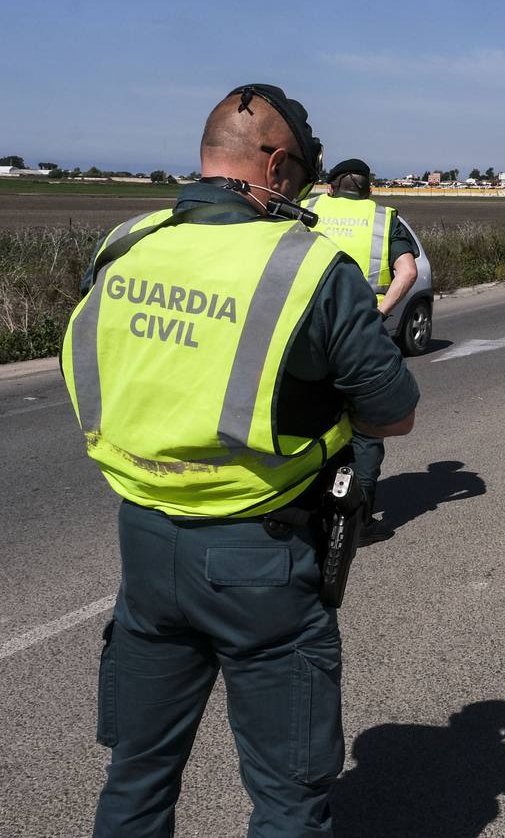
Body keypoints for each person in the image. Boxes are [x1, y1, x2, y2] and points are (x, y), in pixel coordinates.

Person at [62, 84, 420, 837]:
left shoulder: (124, 242)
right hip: (261, 555)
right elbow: (393, 413)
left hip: (145, 543)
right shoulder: (307, 266)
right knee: (288, 799)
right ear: (279, 164)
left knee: (136, 775)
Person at [304, 158, 419, 538]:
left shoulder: (311, 209)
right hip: (360, 333)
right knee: (366, 431)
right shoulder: (385, 219)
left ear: (332, 187)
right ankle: (359, 520)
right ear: (368, 190)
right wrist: (380, 311)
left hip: (305, 330)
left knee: (311, 418)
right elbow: (408, 272)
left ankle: (309, 509)